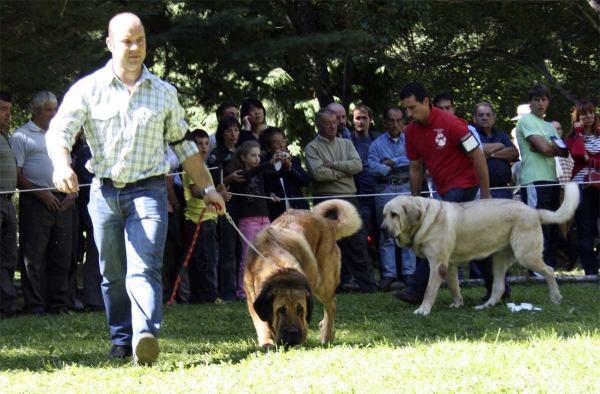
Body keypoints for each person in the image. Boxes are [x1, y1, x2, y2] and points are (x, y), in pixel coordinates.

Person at [46, 13, 225, 366]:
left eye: (140, 40)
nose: (134, 47)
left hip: (148, 193)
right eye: (127, 41)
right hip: (104, 194)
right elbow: (59, 132)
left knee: (143, 267)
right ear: (110, 44)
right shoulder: (87, 89)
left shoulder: (163, 93)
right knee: (112, 274)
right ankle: (121, 338)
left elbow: (184, 147)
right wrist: (62, 164)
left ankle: (145, 334)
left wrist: (208, 189)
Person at [392, 82, 491, 305]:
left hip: (465, 184)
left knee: (434, 234)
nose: (408, 114)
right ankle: (498, 287)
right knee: (470, 240)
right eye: (405, 109)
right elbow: (415, 168)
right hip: (443, 189)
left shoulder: (452, 124)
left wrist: (485, 194)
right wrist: (413, 201)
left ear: (426, 102)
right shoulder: (412, 132)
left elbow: (478, 156)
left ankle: (416, 290)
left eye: (412, 108)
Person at [10, 91, 75, 316]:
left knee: (62, 255)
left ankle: (58, 305)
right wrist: (41, 193)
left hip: (64, 200)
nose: (53, 114)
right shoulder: (20, 136)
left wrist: (73, 194)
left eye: (55, 109)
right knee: (33, 257)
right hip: (36, 202)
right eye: (48, 110)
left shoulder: (61, 136)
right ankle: (34, 306)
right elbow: (16, 175)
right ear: (35, 110)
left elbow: (70, 167)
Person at [305, 109, 377, 293]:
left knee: (357, 243)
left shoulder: (346, 143)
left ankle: (368, 287)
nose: (332, 125)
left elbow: (357, 166)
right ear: (318, 125)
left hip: (349, 198)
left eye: (334, 122)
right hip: (326, 199)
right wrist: (344, 173)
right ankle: (333, 286)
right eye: (327, 122)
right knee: (328, 245)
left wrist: (334, 165)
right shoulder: (312, 147)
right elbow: (318, 174)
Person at [515, 84, 568, 272]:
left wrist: (544, 147)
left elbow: (563, 151)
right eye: (536, 99)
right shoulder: (526, 122)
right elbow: (548, 148)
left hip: (552, 179)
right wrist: (545, 147)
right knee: (537, 227)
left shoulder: (548, 126)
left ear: (548, 102)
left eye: (543, 99)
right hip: (534, 181)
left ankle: (550, 267)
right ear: (530, 102)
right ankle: (535, 269)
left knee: (552, 226)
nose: (540, 103)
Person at [471, 101, 519, 300]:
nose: (484, 118)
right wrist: (495, 151)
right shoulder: (472, 134)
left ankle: (503, 278)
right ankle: (485, 279)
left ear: (494, 117)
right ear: (474, 118)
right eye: (480, 115)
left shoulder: (501, 135)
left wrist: (488, 153)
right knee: (484, 238)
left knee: (502, 238)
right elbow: (475, 153)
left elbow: (514, 153)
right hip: (483, 192)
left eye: (488, 114)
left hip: (504, 192)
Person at [367, 106, 416, 290]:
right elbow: (373, 168)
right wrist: (398, 166)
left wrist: (393, 162)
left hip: (406, 187)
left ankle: (409, 273)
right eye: (391, 120)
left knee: (408, 230)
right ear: (385, 122)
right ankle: (388, 274)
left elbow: (415, 160)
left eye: (399, 120)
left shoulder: (411, 140)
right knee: (386, 232)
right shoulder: (376, 144)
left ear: (403, 121)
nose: (395, 124)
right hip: (385, 189)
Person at [228, 140, 282, 299]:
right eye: (253, 155)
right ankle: (242, 291)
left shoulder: (261, 172)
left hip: (264, 218)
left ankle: (263, 288)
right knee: (248, 256)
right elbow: (248, 175)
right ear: (243, 157)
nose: (257, 158)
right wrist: (268, 163)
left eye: (259, 155)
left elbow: (274, 175)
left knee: (267, 253)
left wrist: (284, 166)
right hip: (248, 221)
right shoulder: (239, 174)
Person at [183, 129, 231, 303]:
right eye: (199, 144)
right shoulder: (193, 167)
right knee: (206, 260)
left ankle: (200, 296)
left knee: (204, 258)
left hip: (207, 219)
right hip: (199, 220)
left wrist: (217, 192)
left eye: (206, 143)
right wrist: (210, 194)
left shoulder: (202, 166)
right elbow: (196, 190)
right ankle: (208, 296)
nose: (203, 147)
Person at [210, 116, 245, 301]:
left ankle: (242, 290)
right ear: (221, 133)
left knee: (242, 250)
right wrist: (229, 179)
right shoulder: (217, 154)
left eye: (237, 130)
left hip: (244, 205)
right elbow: (212, 184)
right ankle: (227, 293)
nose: (233, 134)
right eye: (229, 130)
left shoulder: (242, 152)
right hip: (226, 206)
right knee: (228, 251)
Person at [565, 102, 600, 276]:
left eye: (591, 113)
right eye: (583, 114)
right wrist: (578, 132)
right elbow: (577, 153)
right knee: (585, 229)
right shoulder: (572, 138)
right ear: (577, 119)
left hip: (599, 186)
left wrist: (590, 159)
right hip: (580, 187)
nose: (588, 117)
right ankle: (591, 271)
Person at [350, 105, 382, 274]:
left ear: (370, 120)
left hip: (379, 193)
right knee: (360, 239)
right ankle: (365, 276)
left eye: (364, 118)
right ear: (352, 120)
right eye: (357, 118)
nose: (361, 121)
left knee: (383, 236)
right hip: (359, 196)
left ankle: (388, 275)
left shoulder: (379, 139)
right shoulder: (348, 142)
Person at [259, 127, 311, 221]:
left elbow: (306, 181)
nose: (282, 145)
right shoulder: (263, 164)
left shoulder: (294, 160)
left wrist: (289, 166)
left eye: (283, 141)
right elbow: (262, 188)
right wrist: (269, 195)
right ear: (268, 147)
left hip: (298, 211)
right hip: (277, 214)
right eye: (277, 143)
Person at [0, 91, 19, 318]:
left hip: (8, 201)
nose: (8, 114)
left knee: (7, 258)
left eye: (9, 110)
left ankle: (6, 306)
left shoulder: (5, 136)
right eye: (3, 109)